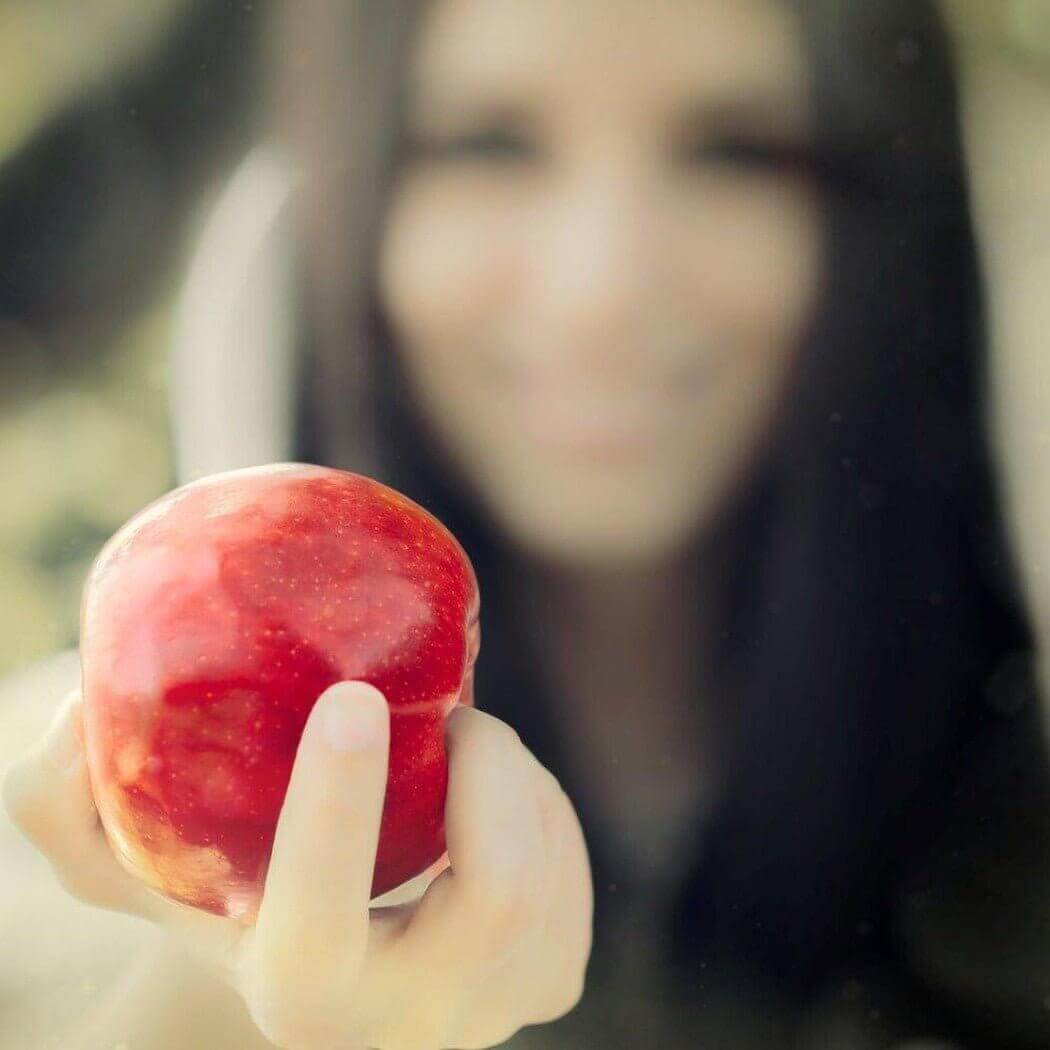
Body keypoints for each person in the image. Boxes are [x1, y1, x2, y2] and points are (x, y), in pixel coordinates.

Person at [3, 0, 1049, 1047]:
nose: (602, 290)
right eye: (487, 145)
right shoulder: (54, 865)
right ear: (347, 194)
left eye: (737, 152)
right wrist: (209, 1014)